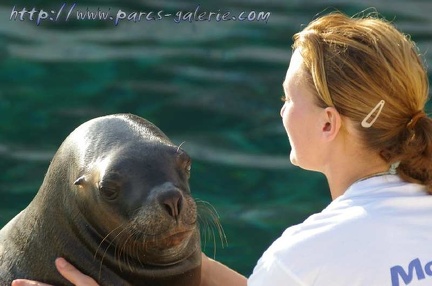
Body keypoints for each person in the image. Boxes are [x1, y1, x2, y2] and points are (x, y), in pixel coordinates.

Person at [12, 10, 432, 286]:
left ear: (328, 123)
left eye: (287, 99)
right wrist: (183, 261)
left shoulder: (303, 257)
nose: (281, 111)